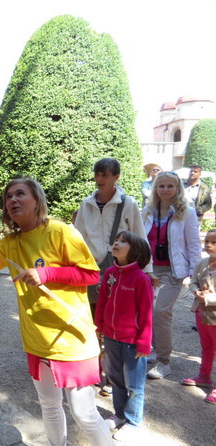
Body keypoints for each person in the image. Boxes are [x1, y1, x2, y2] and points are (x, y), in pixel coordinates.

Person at [0, 178, 113, 446]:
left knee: (84, 414)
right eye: (8, 197)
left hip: (71, 338)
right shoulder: (11, 241)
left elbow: (91, 275)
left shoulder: (61, 231)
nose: (12, 200)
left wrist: (46, 273)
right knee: (49, 406)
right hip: (36, 338)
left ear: (37, 200)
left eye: (20, 194)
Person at [94, 231, 153, 442]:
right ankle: (119, 415)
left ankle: (133, 422)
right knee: (115, 380)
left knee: (134, 385)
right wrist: (99, 326)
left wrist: (144, 343)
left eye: (123, 241)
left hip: (132, 343)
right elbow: (102, 301)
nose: (116, 243)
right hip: (111, 337)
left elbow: (146, 313)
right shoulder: (110, 273)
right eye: (117, 240)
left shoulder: (141, 279)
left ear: (135, 251)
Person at [75, 158, 152, 318]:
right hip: (92, 267)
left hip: (121, 267)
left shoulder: (128, 203)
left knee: (118, 312)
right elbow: (78, 237)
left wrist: (148, 270)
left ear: (116, 177)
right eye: (97, 175)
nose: (99, 179)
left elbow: (140, 236)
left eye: (105, 175)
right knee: (93, 314)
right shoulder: (86, 204)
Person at [143, 171, 202, 379]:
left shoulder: (187, 212)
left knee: (161, 311)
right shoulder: (148, 211)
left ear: (178, 188)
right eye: (161, 186)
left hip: (172, 271)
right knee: (148, 312)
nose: (165, 190)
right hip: (149, 270)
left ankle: (164, 361)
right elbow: (140, 239)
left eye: (170, 186)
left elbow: (194, 245)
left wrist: (196, 274)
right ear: (156, 188)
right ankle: (154, 349)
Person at [182, 228, 216, 404]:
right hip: (202, 312)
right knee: (207, 345)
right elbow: (193, 281)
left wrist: (208, 298)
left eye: (214, 242)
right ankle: (204, 375)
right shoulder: (202, 263)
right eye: (207, 241)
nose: (209, 245)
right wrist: (196, 291)